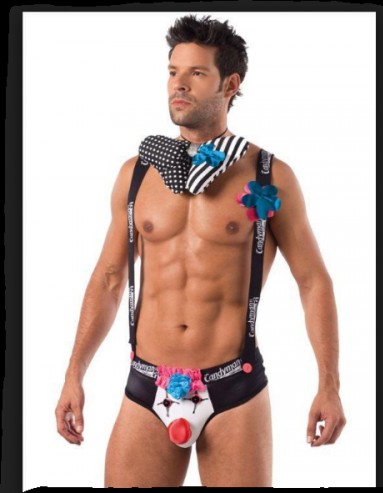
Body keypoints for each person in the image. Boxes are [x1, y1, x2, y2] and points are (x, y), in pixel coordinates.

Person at [55, 14, 346, 487]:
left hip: (234, 388)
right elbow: (109, 279)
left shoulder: (269, 176)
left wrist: (329, 385)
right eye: (173, 72)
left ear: (230, 84)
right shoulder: (138, 174)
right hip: (147, 384)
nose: (179, 84)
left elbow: (313, 282)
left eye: (196, 73)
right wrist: (74, 373)